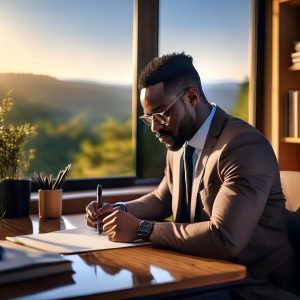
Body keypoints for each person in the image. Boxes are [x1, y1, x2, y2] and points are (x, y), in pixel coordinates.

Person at [86, 52, 298, 298]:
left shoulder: (242, 146)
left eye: (161, 114)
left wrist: (142, 229)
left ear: (191, 97)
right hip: (200, 270)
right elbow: (162, 198)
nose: (154, 127)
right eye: (148, 118)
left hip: (254, 282)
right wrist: (119, 210)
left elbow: (225, 237)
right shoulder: (178, 140)